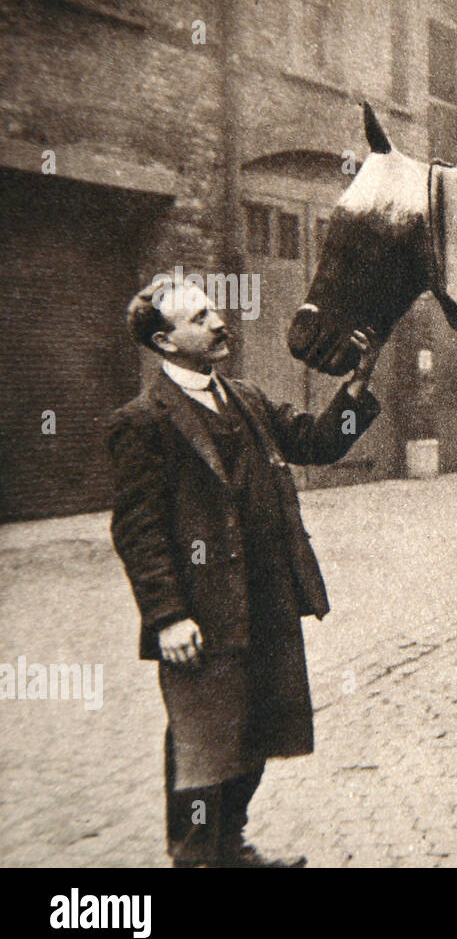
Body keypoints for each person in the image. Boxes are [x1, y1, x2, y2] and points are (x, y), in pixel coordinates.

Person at [108, 276, 381, 866]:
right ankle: (196, 856)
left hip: (266, 600)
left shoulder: (248, 399)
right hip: (201, 614)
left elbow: (317, 442)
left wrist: (355, 390)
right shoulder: (142, 421)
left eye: (213, 311)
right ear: (164, 341)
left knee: (255, 734)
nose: (217, 322)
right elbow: (138, 530)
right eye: (199, 318)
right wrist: (167, 616)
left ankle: (229, 847)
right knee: (203, 744)